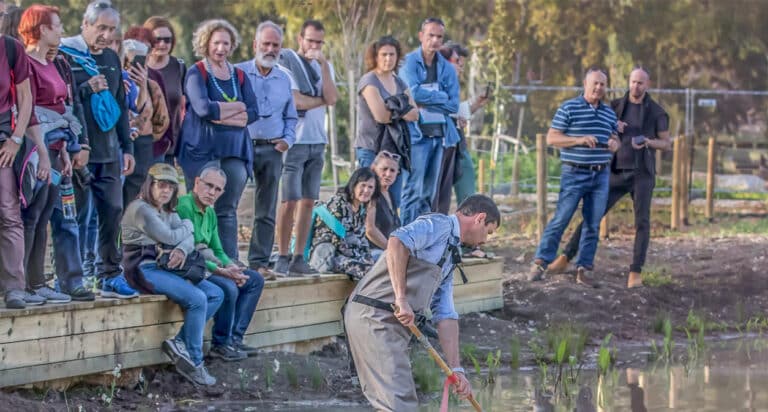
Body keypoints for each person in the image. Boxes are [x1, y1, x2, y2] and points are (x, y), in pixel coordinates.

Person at [344, 194, 499, 411]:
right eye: (489, 232)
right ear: (480, 218)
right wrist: (401, 298)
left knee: (398, 401)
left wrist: (457, 369)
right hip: (372, 316)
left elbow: (445, 314)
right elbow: (397, 241)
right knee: (398, 403)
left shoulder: (451, 255)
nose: (485, 240)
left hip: (395, 326)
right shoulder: (438, 224)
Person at [547, 67, 671, 288]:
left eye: (641, 83)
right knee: (592, 216)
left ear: (647, 84)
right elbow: (605, 127)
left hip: (642, 174)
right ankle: (565, 257)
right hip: (615, 171)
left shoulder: (657, 112)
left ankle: (635, 271)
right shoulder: (615, 107)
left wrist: (648, 142)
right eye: (633, 82)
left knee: (642, 222)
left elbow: (666, 143)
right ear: (628, 82)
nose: (636, 86)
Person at [59, 1, 136, 298]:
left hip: (109, 152)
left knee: (113, 211)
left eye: (111, 29)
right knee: (76, 217)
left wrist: (126, 147)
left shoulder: (112, 58)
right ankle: (71, 278)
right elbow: (63, 101)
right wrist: (86, 88)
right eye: (100, 27)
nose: (106, 34)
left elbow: (119, 104)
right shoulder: (67, 56)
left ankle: (109, 274)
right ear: (85, 25)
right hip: (78, 151)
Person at [121, 163, 223, 385]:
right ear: (150, 184)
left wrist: (181, 248)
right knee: (198, 298)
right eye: (161, 185)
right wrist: (187, 226)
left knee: (215, 293)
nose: (166, 190)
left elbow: (184, 240)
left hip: (165, 268)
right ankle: (195, 363)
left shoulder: (166, 210)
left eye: (171, 186)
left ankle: (179, 343)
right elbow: (168, 236)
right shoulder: (141, 209)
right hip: (141, 269)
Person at [19, 4, 95, 303]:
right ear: (41, 29)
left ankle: (44, 282)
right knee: (32, 217)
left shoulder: (56, 63)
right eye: (57, 25)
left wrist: (65, 148)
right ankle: (25, 281)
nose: (62, 30)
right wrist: (43, 151)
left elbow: (65, 107)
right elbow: (28, 111)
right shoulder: (25, 64)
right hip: (36, 152)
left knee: (57, 214)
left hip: (57, 148)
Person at [527, 67, 620, 287]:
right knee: (562, 217)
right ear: (585, 84)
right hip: (575, 172)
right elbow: (552, 138)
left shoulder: (608, 113)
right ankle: (540, 262)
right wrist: (578, 140)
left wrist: (615, 144)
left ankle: (583, 268)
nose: (598, 88)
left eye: (602, 84)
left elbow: (615, 137)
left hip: (600, 174)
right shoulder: (569, 108)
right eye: (595, 83)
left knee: (593, 223)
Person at [178, 18, 261, 263]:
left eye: (226, 43)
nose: (221, 48)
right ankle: (197, 257)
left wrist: (225, 114)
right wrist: (238, 108)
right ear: (206, 44)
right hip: (201, 150)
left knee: (227, 210)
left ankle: (230, 261)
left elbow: (253, 112)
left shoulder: (239, 76)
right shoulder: (197, 72)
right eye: (216, 43)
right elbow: (203, 109)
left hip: (235, 150)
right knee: (198, 205)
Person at [176, 166, 265, 359]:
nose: (212, 192)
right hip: (190, 266)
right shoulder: (184, 206)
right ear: (197, 182)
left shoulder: (210, 213)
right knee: (229, 287)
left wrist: (231, 266)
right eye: (209, 185)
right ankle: (220, 343)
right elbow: (190, 253)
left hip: (209, 264)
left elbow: (217, 250)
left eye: (217, 189)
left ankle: (235, 339)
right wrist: (222, 271)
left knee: (255, 279)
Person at [275, 19, 338, 276]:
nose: (314, 46)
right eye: (310, 40)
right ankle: (281, 254)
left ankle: (299, 255)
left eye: (319, 42)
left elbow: (332, 98)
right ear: (300, 39)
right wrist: (319, 99)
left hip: (317, 140)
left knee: (309, 202)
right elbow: (295, 101)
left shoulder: (326, 66)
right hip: (295, 140)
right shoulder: (287, 62)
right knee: (289, 200)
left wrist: (322, 65)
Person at [235, 21, 297, 280]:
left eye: (275, 45)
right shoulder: (237, 73)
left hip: (272, 147)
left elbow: (291, 116)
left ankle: (258, 262)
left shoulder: (284, 78)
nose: (270, 49)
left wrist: (288, 140)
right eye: (266, 44)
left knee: (267, 208)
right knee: (229, 203)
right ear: (255, 45)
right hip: (241, 145)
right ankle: (227, 260)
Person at [399, 17, 460, 225]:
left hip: (439, 135)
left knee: (428, 194)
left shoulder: (448, 68)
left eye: (439, 37)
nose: (435, 40)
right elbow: (412, 93)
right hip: (416, 135)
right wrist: (440, 96)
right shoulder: (408, 62)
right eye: (430, 35)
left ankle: (421, 238)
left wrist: (428, 100)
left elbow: (453, 105)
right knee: (412, 190)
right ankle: (404, 238)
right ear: (421, 36)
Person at [0, 27, 43, 308]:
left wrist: (16, 139)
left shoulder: (11, 48)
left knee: (9, 212)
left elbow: (26, 98)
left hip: (4, 140)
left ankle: (14, 286)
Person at [354, 35, 419, 206]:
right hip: (371, 148)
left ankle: (387, 233)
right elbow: (380, 116)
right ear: (376, 56)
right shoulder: (369, 80)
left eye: (392, 54)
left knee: (392, 202)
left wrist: (392, 106)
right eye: (384, 54)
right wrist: (402, 107)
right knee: (370, 200)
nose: (388, 59)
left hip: (394, 150)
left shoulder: (400, 82)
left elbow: (415, 114)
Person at [121, 26, 169, 205]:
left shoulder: (152, 83)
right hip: (120, 142)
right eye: (135, 48)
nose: (140, 55)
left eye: (145, 50)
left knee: (139, 193)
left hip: (144, 144)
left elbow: (161, 119)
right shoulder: (116, 77)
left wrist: (148, 137)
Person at [438, 41, 490, 206]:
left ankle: (467, 228)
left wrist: (477, 104)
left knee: (468, 200)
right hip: (439, 149)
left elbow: (455, 111)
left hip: (458, 147)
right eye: (457, 62)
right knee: (438, 201)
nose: (461, 67)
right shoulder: (431, 83)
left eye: (462, 63)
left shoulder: (453, 85)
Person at [308, 168, 379, 280]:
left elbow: (362, 240)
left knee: (380, 265)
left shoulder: (361, 208)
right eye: (363, 185)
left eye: (370, 187)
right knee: (370, 272)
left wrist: (367, 259)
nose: (366, 190)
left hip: (347, 256)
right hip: (328, 257)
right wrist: (361, 260)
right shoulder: (338, 204)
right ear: (354, 185)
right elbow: (337, 242)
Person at [144, 15, 186, 165]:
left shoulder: (179, 67)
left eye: (167, 40)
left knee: (165, 187)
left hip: (170, 146)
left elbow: (184, 107)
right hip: (143, 144)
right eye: (157, 39)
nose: (162, 44)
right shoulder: (137, 67)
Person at [365, 151, 402, 258]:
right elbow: (370, 230)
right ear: (374, 169)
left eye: (392, 170)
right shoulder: (370, 194)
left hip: (386, 251)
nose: (388, 174)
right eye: (384, 169)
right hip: (371, 252)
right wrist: (392, 251)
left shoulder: (390, 195)